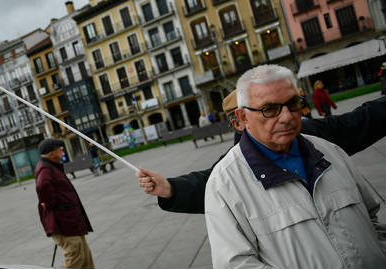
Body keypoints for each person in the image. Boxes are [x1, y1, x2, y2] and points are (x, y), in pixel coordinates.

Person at [205, 65, 385, 269]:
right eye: (270, 109)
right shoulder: (224, 184)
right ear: (242, 118)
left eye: (293, 103)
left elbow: (371, 219)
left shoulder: (331, 152)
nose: (287, 117)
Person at [136, 91, 386, 215]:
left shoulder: (309, 133)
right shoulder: (236, 162)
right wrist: (170, 188)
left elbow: (356, 123)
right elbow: (212, 183)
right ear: (239, 122)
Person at [35, 138, 95, 269]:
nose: (62, 151)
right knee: (75, 258)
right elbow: (42, 186)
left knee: (85, 257)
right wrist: (51, 203)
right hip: (63, 222)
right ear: (51, 154)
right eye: (59, 149)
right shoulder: (46, 169)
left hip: (70, 221)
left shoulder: (50, 166)